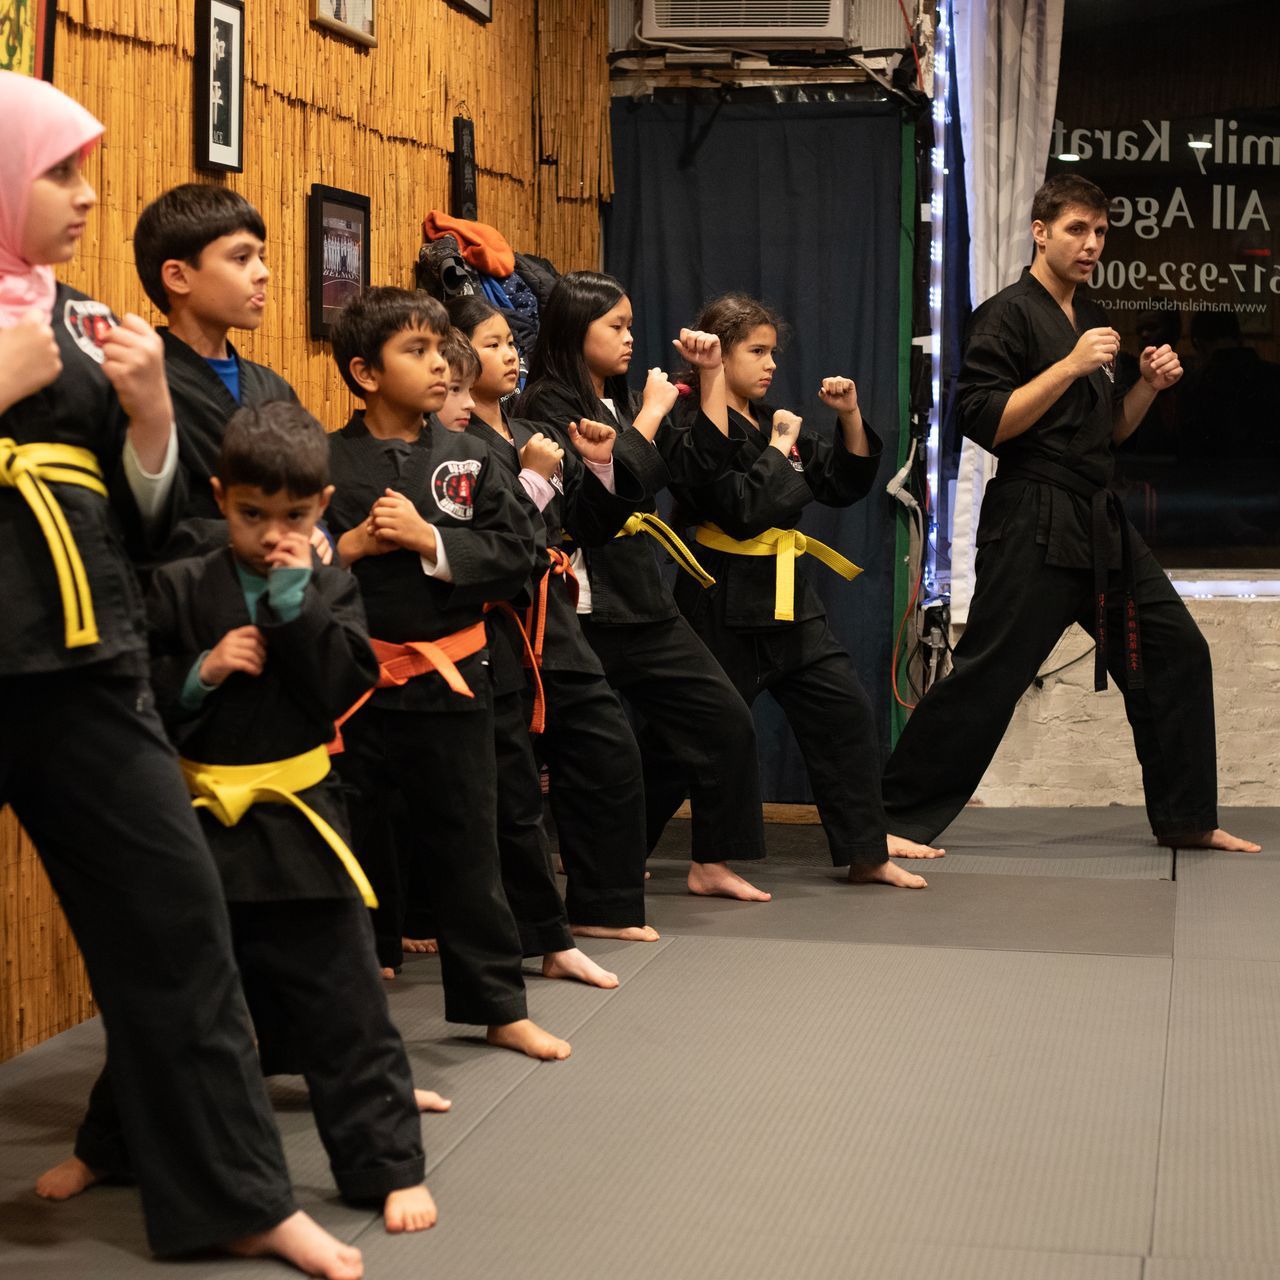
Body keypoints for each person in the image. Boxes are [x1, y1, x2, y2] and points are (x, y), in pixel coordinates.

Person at [0, 69, 361, 1277]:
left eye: (86, 169)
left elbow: (154, 528)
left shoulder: (88, 320)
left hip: (87, 670)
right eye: (58, 172)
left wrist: (150, 416)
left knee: (176, 922)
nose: (85, 196)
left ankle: (233, 1193)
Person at [38, 402, 440, 1235]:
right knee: (168, 1001)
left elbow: (343, 689)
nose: (271, 533)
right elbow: (136, 689)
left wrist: (295, 605)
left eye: (293, 517)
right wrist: (202, 671)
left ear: (322, 507)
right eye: (251, 514)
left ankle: (386, 1166)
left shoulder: (330, 586)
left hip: (297, 820)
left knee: (347, 1006)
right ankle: (109, 1148)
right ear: (221, 499)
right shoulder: (182, 584)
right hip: (192, 821)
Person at [882, 173, 1260, 856]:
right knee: (988, 674)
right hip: (1029, 518)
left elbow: (1108, 434)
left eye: (1101, 232)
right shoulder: (1007, 314)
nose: (1091, 245)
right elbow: (988, 423)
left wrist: (1146, 386)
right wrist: (1067, 365)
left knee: (1175, 650)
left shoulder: (1089, 322)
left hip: (1097, 520)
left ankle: (1186, 818)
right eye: (1077, 230)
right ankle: (890, 820)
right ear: (1040, 232)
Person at [325, 286, 571, 1060]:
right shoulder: (326, 461)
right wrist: (350, 551)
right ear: (365, 372)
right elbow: (281, 562)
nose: (440, 366)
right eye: (418, 352)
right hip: (353, 687)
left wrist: (432, 540)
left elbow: (521, 555)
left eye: (442, 350)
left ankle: (499, 1005)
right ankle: (348, 1013)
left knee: (469, 849)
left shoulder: (470, 457)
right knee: (348, 850)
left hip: (455, 684)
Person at [518, 271, 773, 902]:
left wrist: (709, 378)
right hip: (582, 608)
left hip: (644, 599)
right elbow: (588, 511)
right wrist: (655, 414)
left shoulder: (620, 401)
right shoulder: (543, 406)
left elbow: (694, 467)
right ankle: (585, 869)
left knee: (725, 721)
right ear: (577, 331)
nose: (631, 338)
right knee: (595, 755)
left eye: (631, 325)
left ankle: (712, 859)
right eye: (617, 327)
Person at [672, 293, 936, 888]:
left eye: (772, 352)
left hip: (788, 598)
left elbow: (841, 484)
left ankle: (866, 850)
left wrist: (847, 415)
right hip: (720, 597)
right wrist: (775, 449)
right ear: (719, 353)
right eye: (756, 351)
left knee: (842, 710)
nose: (769, 364)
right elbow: (740, 510)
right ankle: (666, 855)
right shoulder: (688, 423)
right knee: (688, 735)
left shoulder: (774, 422)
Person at [446, 297, 657, 946]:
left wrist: (596, 466)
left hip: (553, 623)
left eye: (513, 342)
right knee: (500, 792)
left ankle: (605, 904)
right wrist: (536, 480)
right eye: (492, 343)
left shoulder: (524, 431)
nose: (510, 354)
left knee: (609, 750)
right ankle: (466, 920)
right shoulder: (455, 445)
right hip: (495, 631)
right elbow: (502, 540)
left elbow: (582, 531)